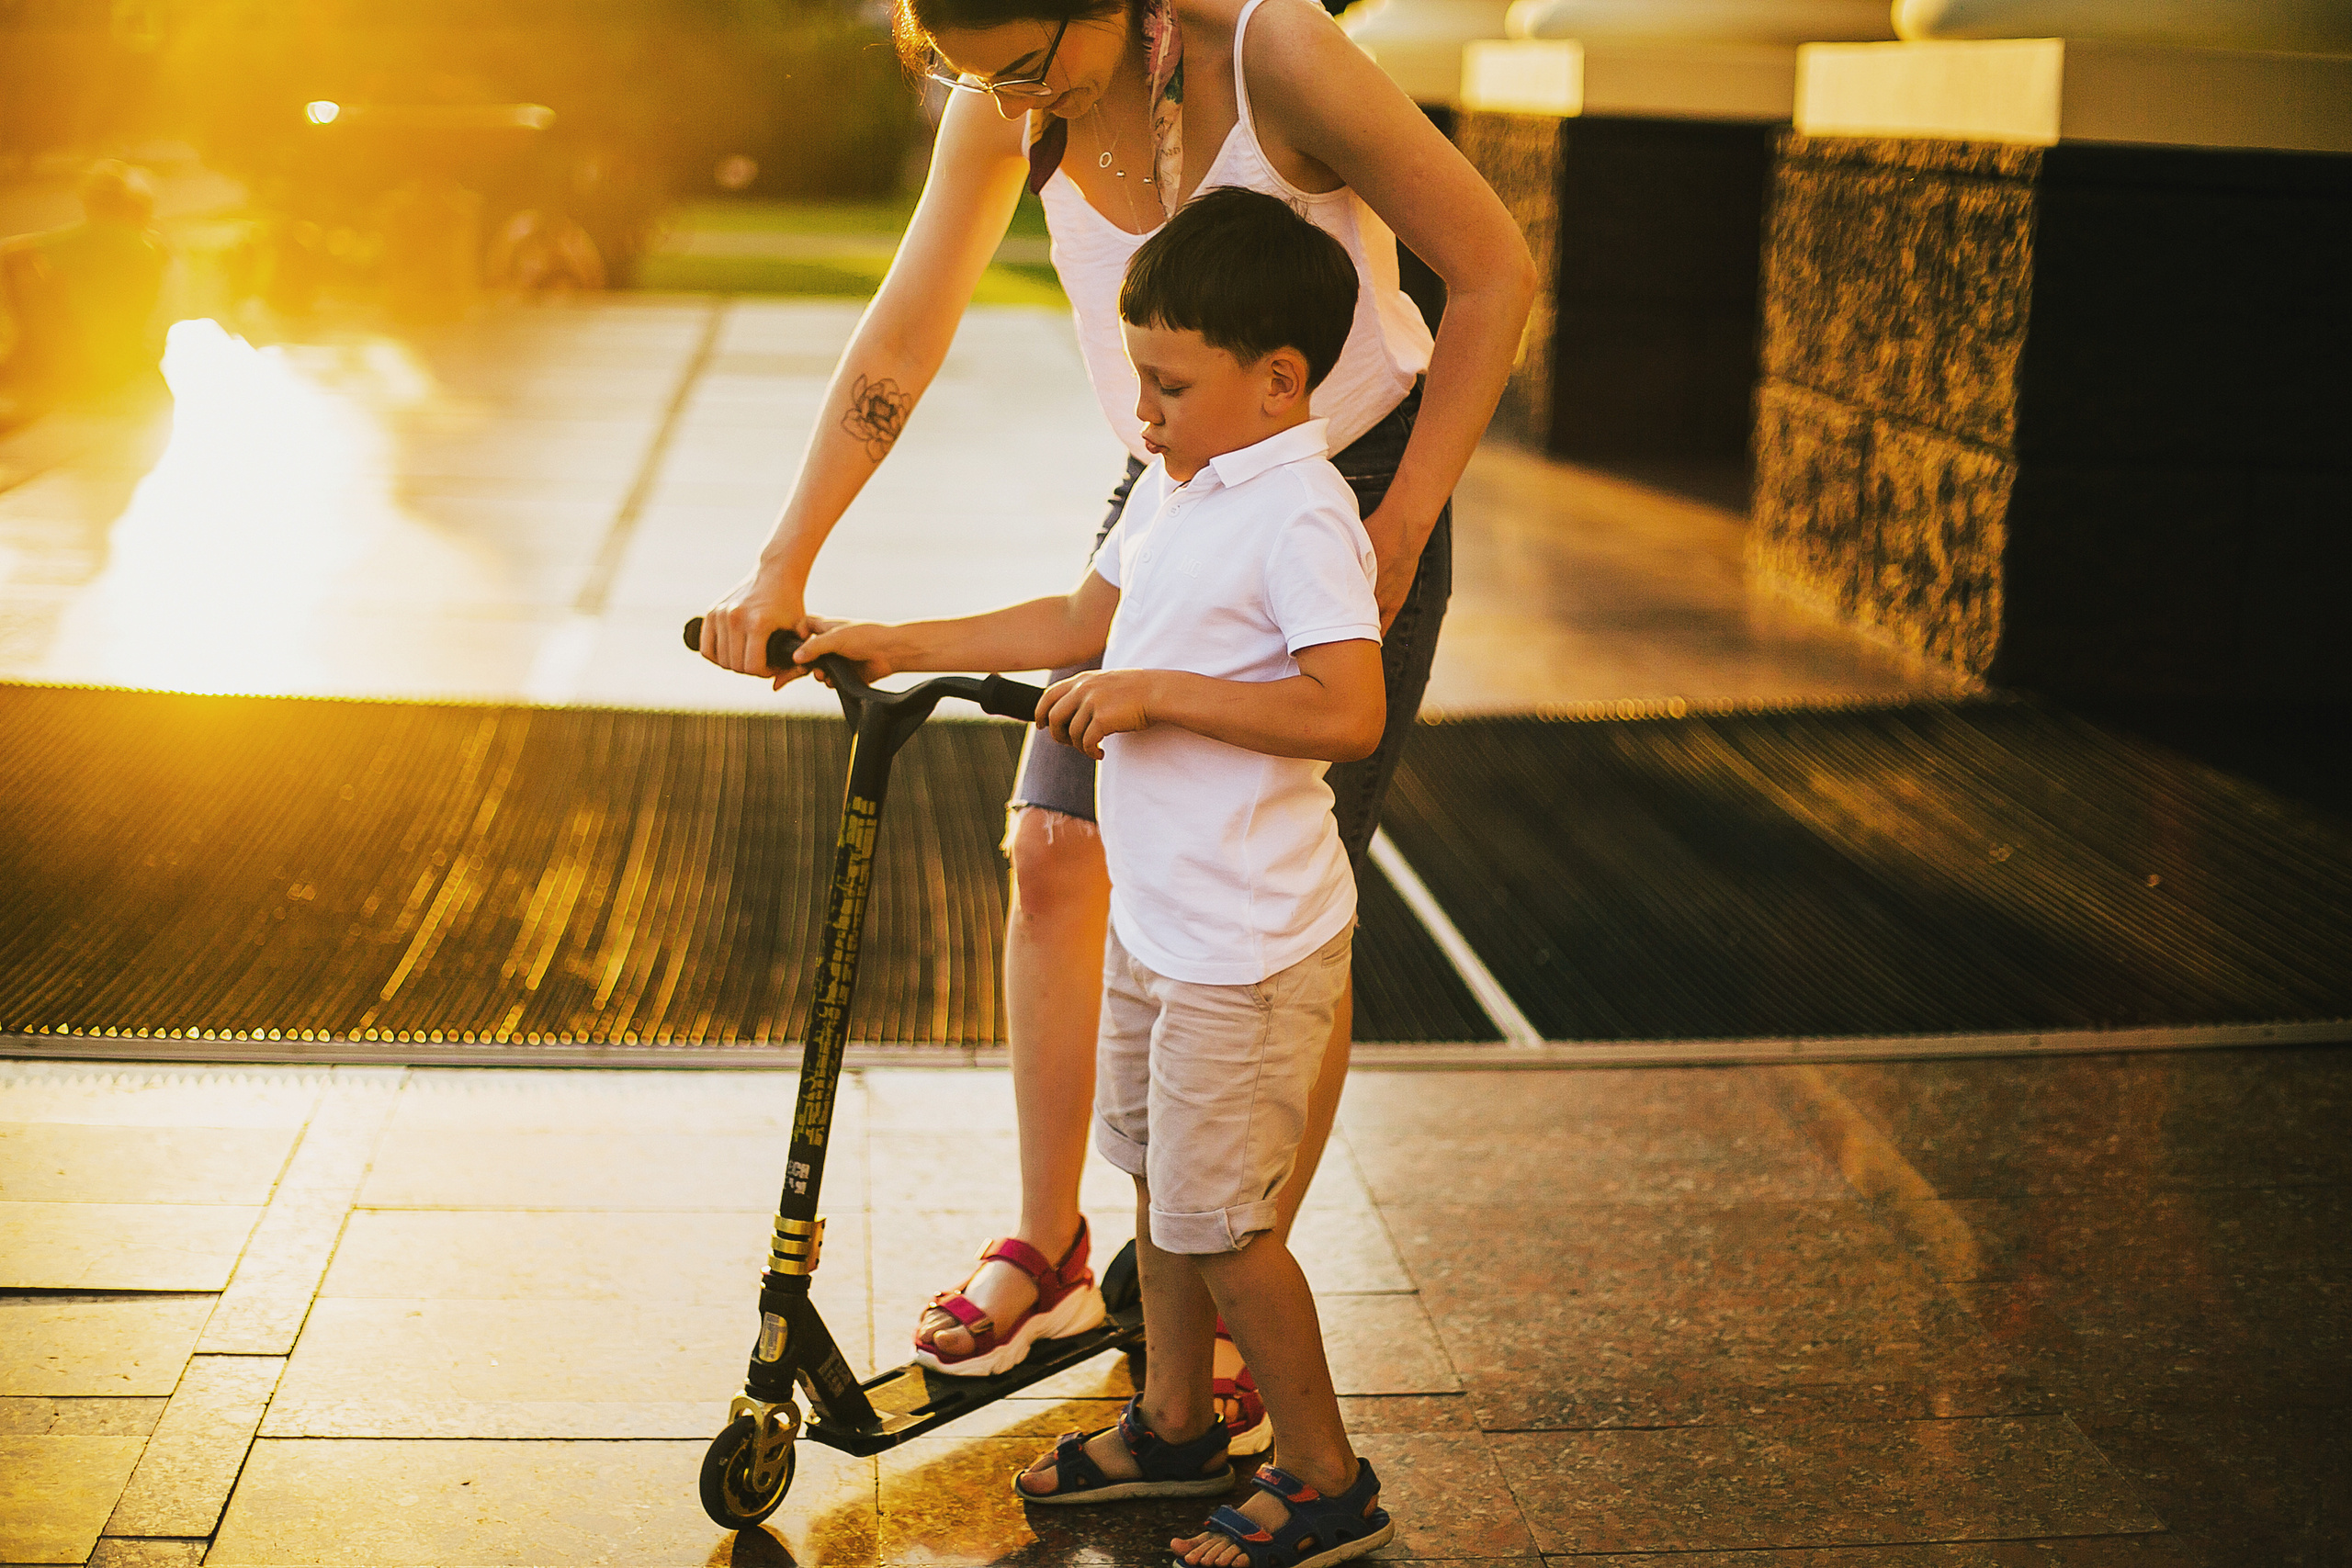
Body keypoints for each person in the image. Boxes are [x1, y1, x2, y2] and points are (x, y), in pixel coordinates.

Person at [696, 0, 1535, 1432]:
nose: (1014, 103)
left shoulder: (1276, 54)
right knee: (1055, 850)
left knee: (1272, 916)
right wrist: (789, 566)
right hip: (1173, 484)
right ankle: (1056, 1244)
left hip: (1344, 496)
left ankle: (1213, 1276)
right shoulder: (999, 96)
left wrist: (1397, 524)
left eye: (1032, 64)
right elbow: (910, 323)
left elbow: (1495, 273)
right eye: (978, 78)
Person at [798, 186, 1395, 1568]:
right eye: (1138, 378)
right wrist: (893, 637)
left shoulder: (1300, 514)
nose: (1144, 414)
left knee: (1231, 1226)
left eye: (1169, 384)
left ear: (1279, 382)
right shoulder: (1185, 488)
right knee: (1158, 1189)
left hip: (1249, 949)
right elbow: (1082, 619)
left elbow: (1345, 712)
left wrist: (1159, 697)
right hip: (1167, 925)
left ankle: (1324, 1476)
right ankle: (1176, 1419)